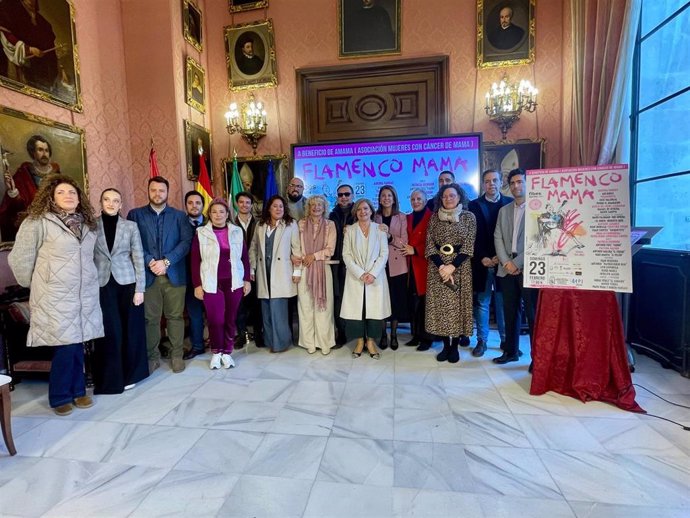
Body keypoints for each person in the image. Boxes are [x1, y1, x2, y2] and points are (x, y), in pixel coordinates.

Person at [8, 174, 103, 416]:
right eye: (61, 192)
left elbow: (96, 256)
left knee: (78, 342)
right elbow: (20, 258)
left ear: (79, 197)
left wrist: (95, 279)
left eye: (72, 192)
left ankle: (79, 391)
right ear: (50, 196)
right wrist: (38, 284)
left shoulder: (88, 223)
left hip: (84, 294)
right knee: (65, 346)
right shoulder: (38, 222)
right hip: (55, 294)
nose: (68, 196)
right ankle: (61, 395)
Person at [127, 176, 193, 374]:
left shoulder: (180, 216)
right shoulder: (135, 215)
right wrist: (150, 261)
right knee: (150, 319)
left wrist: (166, 262)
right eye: (153, 190)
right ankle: (152, 357)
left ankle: (176, 355)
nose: (157, 194)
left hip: (174, 274)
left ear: (167, 192)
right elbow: (133, 242)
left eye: (161, 190)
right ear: (148, 191)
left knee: (175, 317)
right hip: (147, 276)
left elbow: (186, 243)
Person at [92, 188, 149, 393]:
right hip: (102, 284)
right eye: (107, 199)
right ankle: (111, 378)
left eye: (115, 200)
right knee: (110, 331)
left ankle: (132, 374)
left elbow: (138, 257)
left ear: (121, 204)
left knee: (131, 330)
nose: (111, 203)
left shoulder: (130, 226)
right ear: (101, 202)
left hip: (128, 284)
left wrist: (140, 289)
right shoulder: (90, 226)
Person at [191, 198, 251, 369]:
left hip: (234, 281)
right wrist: (197, 285)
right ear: (209, 214)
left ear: (227, 214)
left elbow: (244, 258)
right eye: (214, 212)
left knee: (230, 319)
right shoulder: (201, 232)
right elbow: (195, 261)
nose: (218, 215)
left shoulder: (237, 231)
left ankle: (227, 352)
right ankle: (216, 352)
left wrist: (246, 279)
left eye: (221, 212)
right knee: (216, 319)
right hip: (211, 282)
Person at [425, 183, 476, 364]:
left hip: (460, 268)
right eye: (444, 196)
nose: (448, 199)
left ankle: (455, 347)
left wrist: (452, 267)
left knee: (456, 308)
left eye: (452, 196)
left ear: (459, 197)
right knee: (441, 309)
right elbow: (430, 244)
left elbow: (469, 245)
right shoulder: (434, 218)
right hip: (437, 268)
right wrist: (441, 266)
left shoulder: (469, 217)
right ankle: (446, 346)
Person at [493, 168, 539, 365]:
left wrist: (517, 263)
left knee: (532, 314)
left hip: (528, 267)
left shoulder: (538, 209)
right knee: (510, 312)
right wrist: (506, 262)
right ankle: (511, 351)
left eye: (520, 182)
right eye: (512, 183)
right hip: (506, 267)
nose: (516, 186)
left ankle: (537, 360)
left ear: (528, 183)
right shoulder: (504, 210)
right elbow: (498, 237)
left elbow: (539, 241)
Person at [468, 169, 513, 357]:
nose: (491, 184)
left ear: (501, 182)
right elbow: (471, 236)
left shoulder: (510, 204)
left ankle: (506, 341)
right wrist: (483, 257)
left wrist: (500, 257)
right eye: (487, 181)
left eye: (495, 180)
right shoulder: (473, 205)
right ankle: (482, 341)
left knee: (503, 303)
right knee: (482, 302)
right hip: (482, 262)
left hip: (505, 262)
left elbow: (510, 236)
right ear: (483, 184)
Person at [340, 198, 391, 360]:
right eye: (360, 209)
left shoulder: (380, 229)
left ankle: (370, 342)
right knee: (357, 311)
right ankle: (360, 342)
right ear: (355, 212)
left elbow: (384, 254)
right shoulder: (349, 230)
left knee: (374, 312)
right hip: (356, 277)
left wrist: (372, 273)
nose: (363, 212)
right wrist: (360, 273)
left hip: (375, 277)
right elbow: (346, 254)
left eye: (366, 209)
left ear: (371, 211)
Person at [249, 195, 299, 353]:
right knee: (266, 311)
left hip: (282, 273)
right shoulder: (260, 225)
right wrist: (252, 268)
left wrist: (297, 271)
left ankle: (281, 343)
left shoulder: (290, 225)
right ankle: (270, 341)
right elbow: (253, 248)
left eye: (281, 206)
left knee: (278, 311)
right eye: (275, 206)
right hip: (264, 273)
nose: (278, 209)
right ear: (269, 208)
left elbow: (297, 250)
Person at [292, 195, 337, 355]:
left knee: (323, 307)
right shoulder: (301, 224)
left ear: (325, 208)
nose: (316, 207)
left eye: (320, 205)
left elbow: (330, 250)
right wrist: (299, 267)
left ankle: (324, 342)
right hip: (304, 269)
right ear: (308, 208)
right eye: (313, 205)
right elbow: (296, 249)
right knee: (305, 307)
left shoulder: (330, 225)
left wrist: (314, 256)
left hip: (323, 270)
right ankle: (309, 343)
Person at [1, 134, 60, 241]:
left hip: (52, 225)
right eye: (40, 150)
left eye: (46, 150)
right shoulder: (24, 172)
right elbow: (18, 205)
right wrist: (13, 191)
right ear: (33, 152)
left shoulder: (56, 173)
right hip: (32, 225)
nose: (44, 154)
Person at [373, 185, 409, 350]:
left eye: (389, 195)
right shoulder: (374, 216)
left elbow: (404, 242)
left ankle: (393, 334)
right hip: (379, 265)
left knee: (395, 301)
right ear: (379, 199)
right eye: (383, 196)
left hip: (397, 265)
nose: (386, 198)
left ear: (394, 198)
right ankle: (382, 333)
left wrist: (389, 236)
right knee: (380, 300)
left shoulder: (402, 217)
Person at [0, 0, 60, 93]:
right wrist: (28, 49)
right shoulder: (8, 9)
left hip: (41, 74)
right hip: (21, 70)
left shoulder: (44, 23)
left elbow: (51, 53)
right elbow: (5, 34)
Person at [401, 189, 435, 351]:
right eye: (413, 199)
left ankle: (427, 338)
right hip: (410, 268)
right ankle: (415, 335)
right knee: (413, 303)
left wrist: (416, 250)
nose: (416, 201)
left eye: (419, 198)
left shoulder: (433, 218)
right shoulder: (407, 218)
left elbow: (435, 242)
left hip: (425, 266)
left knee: (426, 304)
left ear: (426, 199)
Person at [234, 190, 264, 348]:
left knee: (256, 303)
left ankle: (259, 333)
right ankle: (241, 334)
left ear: (252, 205)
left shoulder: (260, 223)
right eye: (241, 202)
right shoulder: (230, 223)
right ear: (237, 204)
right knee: (239, 304)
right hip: (237, 270)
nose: (244, 205)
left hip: (256, 269)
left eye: (247, 202)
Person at [328, 183, 355, 346]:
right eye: (340, 195)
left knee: (355, 296)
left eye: (347, 194)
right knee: (337, 298)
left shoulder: (359, 213)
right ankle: (342, 332)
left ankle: (356, 332)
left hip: (354, 263)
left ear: (352, 196)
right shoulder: (331, 215)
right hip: (336, 262)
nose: (343, 197)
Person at [183, 190, 206, 360]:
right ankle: (197, 346)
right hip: (188, 277)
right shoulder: (180, 223)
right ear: (186, 205)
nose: (194, 206)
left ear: (203, 206)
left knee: (215, 313)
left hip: (211, 277)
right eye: (190, 203)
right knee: (194, 314)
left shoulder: (212, 223)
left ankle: (218, 343)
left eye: (198, 203)